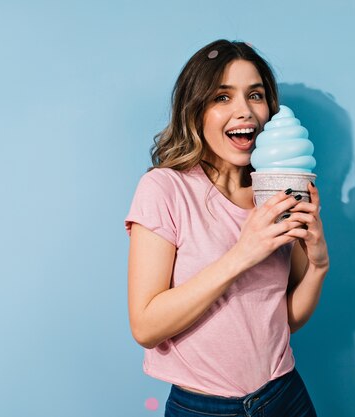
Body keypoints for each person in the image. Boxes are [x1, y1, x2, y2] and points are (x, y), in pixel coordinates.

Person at [125, 39, 329, 417]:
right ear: (195, 109)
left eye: (255, 95)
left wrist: (318, 266)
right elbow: (146, 326)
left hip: (285, 395)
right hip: (203, 408)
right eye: (222, 97)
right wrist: (242, 254)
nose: (245, 111)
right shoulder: (165, 189)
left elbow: (285, 322)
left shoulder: (275, 193)